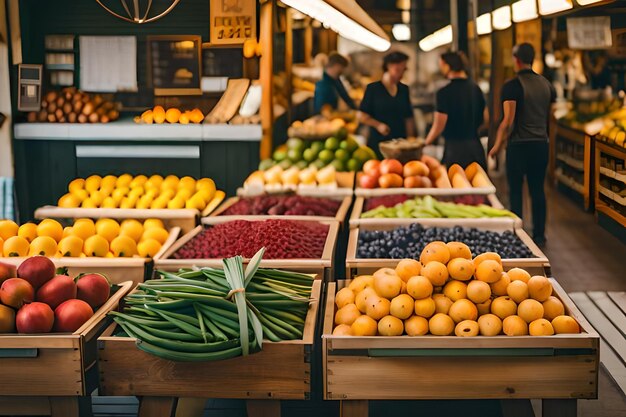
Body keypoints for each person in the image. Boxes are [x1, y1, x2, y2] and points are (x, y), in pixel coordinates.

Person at [489, 43, 556, 246]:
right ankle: (539, 235)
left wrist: (497, 145)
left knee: (516, 190)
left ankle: (517, 234)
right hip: (540, 145)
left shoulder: (512, 86)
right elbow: (551, 120)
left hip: (518, 147)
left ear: (516, 59)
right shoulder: (547, 85)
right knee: (537, 190)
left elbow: (508, 121)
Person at [424, 51, 487, 170]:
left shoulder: (443, 93)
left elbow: (439, 125)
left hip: (455, 151)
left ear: (448, 66)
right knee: (479, 185)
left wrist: (425, 143)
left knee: (456, 185)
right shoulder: (476, 88)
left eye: (441, 65)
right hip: (475, 148)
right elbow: (486, 119)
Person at [358, 51, 416, 156]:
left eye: (404, 70)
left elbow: (408, 117)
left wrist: (410, 141)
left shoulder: (404, 89)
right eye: (399, 69)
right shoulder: (373, 89)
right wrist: (378, 125)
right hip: (378, 144)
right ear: (389, 66)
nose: (402, 73)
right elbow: (362, 116)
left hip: (400, 145)